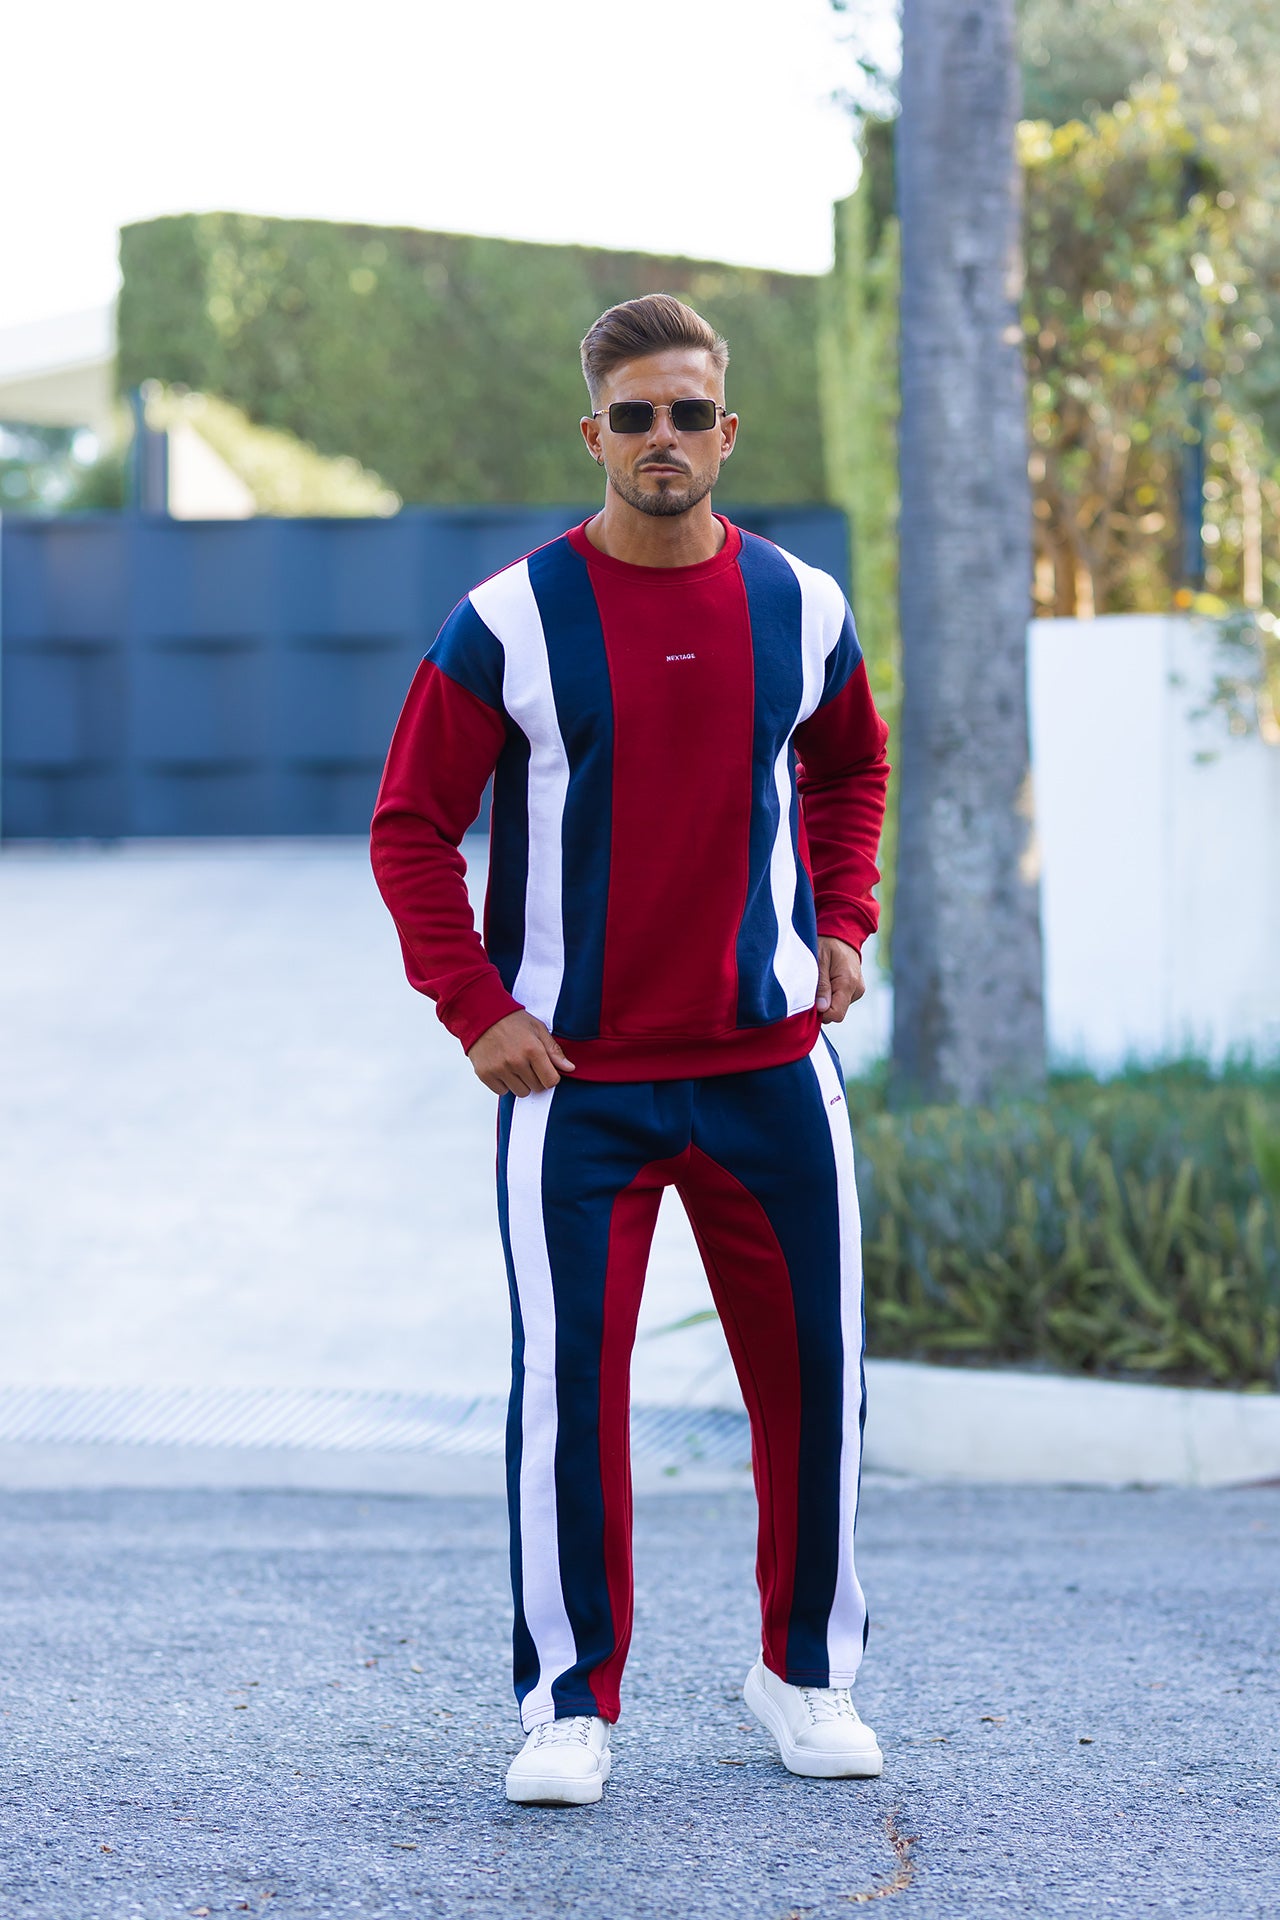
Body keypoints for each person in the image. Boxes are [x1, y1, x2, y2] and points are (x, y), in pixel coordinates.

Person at [370, 293, 890, 1807]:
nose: (663, 439)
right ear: (591, 432)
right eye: (635, 415)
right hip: (573, 1085)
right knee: (569, 1390)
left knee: (815, 1377)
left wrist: (843, 917)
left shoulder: (806, 605)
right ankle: (567, 1702)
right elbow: (412, 826)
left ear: (727, 431)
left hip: (773, 1068)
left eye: (689, 413)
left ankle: (807, 1677)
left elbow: (852, 766)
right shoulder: (509, 623)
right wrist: (477, 1007)